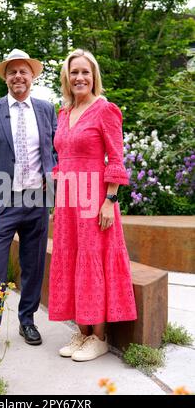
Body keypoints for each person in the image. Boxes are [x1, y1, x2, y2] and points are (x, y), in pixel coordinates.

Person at [48, 49, 137, 362]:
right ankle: (82, 332)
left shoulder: (105, 110)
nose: (79, 78)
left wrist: (109, 201)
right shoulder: (64, 112)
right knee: (72, 259)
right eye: (74, 73)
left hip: (95, 197)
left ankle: (98, 336)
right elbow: (62, 159)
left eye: (85, 72)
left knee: (92, 259)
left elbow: (116, 157)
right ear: (67, 77)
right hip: (69, 200)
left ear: (94, 76)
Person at [0, 49, 57, 346]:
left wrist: (53, 190)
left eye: (23, 71)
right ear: (5, 78)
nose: (18, 76)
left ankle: (27, 321)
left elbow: (55, 150)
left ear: (32, 76)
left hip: (37, 200)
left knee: (33, 264)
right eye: (12, 72)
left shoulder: (46, 109)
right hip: (2, 200)